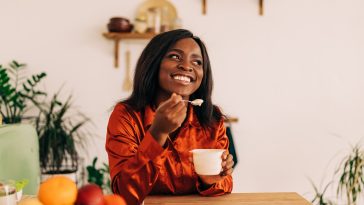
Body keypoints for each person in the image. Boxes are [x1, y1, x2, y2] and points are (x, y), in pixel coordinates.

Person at [105, 29, 234, 205]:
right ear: (154, 63)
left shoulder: (212, 118)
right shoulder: (126, 116)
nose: (187, 66)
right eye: (175, 57)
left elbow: (225, 185)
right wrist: (157, 134)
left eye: (197, 62)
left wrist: (211, 180)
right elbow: (124, 195)